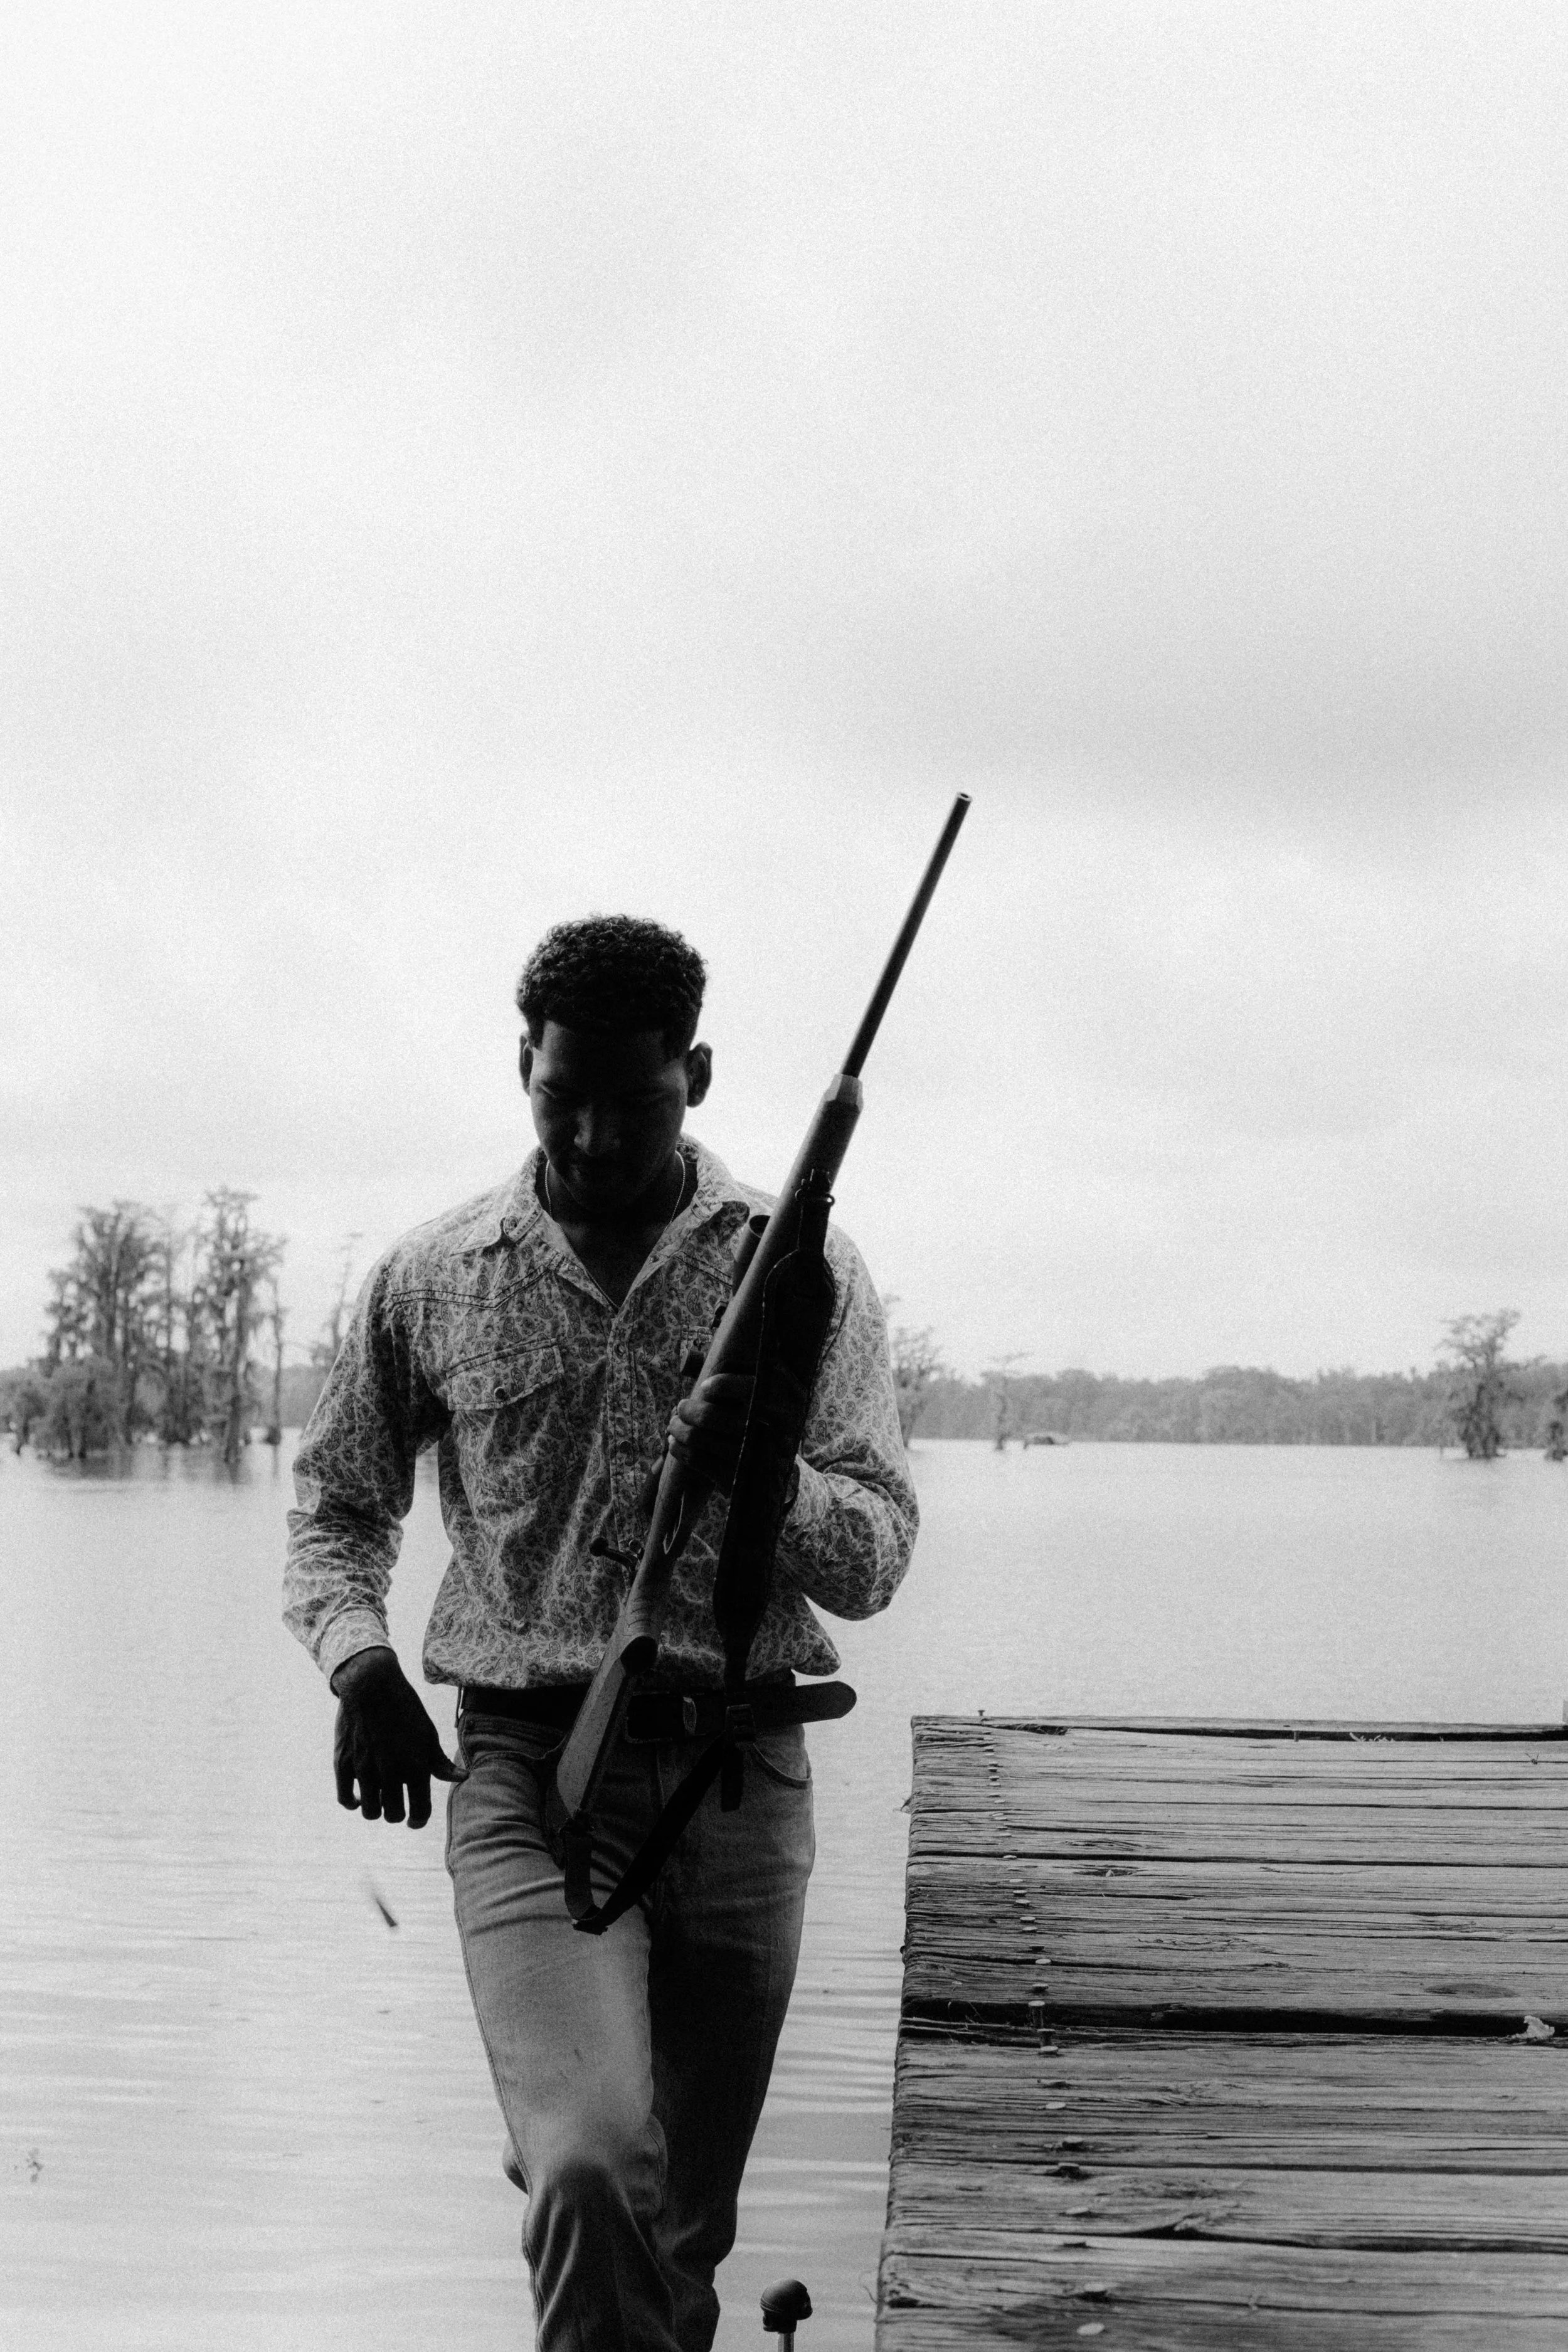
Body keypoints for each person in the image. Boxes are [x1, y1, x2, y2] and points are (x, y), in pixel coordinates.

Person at [283, 914, 918, 2351]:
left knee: (682, 2228)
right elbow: (333, 1515)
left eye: (632, 1101)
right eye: (559, 1093)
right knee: (583, 2166)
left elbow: (874, 1554)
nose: (590, 1133)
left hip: (740, 1786)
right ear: (523, 1063)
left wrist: (768, 1467)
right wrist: (359, 1661)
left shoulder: (799, 1269)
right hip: (524, 1780)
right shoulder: (432, 1276)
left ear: (694, 1074)